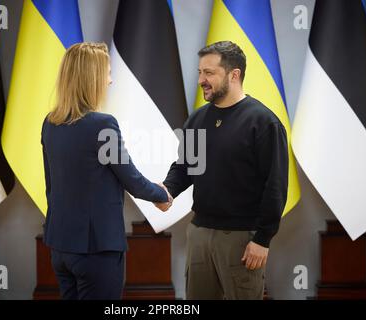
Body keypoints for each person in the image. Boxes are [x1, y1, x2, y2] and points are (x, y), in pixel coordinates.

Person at [41, 42, 172, 300]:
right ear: (92, 78)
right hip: (97, 249)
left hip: (60, 247)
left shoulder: (50, 123)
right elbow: (131, 179)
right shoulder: (102, 124)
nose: (110, 81)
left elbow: (51, 185)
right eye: (107, 73)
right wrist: (162, 195)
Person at [160, 41, 289, 300]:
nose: (201, 80)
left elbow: (275, 186)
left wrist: (263, 239)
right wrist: (166, 190)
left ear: (234, 74)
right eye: (199, 72)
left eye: (209, 73)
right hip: (199, 234)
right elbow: (185, 166)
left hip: (243, 240)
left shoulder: (264, 122)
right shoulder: (196, 119)